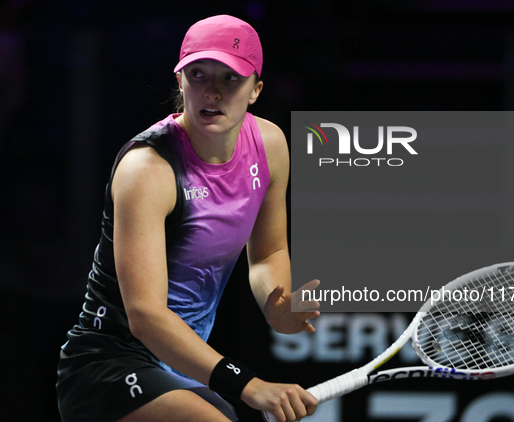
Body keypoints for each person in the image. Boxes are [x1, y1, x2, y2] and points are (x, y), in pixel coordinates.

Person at [56, 14, 320, 422]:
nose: (211, 92)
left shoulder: (269, 146)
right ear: (180, 82)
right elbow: (145, 316)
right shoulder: (148, 169)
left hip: (182, 366)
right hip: (109, 364)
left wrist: (275, 305)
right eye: (198, 74)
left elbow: (268, 252)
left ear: (256, 90)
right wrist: (249, 385)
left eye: (230, 79)